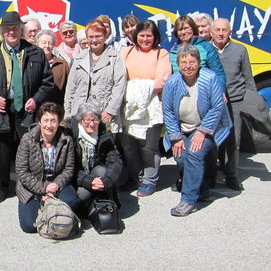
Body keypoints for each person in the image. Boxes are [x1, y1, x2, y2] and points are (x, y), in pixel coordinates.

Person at [0, 11, 54, 204]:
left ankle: (33, 186)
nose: (11, 32)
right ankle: (0, 188)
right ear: (2, 31)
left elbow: (47, 82)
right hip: (1, 108)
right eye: (7, 29)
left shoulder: (35, 52)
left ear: (21, 30)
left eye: (15, 29)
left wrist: (36, 100)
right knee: (1, 150)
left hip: (27, 107)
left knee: (30, 149)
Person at [162, 44, 232, 216]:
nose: (188, 66)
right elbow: (168, 111)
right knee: (180, 157)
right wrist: (176, 137)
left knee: (194, 154)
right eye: (184, 62)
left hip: (207, 127)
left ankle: (188, 200)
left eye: (192, 62)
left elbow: (217, 107)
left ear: (199, 63)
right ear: (178, 63)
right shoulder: (171, 82)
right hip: (181, 128)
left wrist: (202, 132)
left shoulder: (210, 78)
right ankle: (203, 189)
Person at [121, 20, 172, 195]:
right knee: (128, 146)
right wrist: (134, 91)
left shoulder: (161, 54)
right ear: (136, 36)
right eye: (142, 35)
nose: (145, 39)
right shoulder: (126, 52)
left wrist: (135, 87)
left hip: (151, 108)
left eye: (149, 35)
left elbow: (162, 81)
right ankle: (137, 177)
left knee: (148, 146)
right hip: (128, 108)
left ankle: (150, 180)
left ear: (155, 37)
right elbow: (119, 78)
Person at [211, 18, 263, 190]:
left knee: (234, 140)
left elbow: (248, 78)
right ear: (211, 32)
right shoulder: (205, 50)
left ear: (230, 32)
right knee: (211, 140)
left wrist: (253, 104)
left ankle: (231, 175)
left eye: (224, 30)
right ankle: (210, 174)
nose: (220, 33)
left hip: (235, 101)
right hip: (212, 103)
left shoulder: (240, 49)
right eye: (217, 30)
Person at [15, 102, 79, 233]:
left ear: (59, 122)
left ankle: (50, 206)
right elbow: (22, 171)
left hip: (57, 184)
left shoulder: (66, 140)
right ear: (39, 122)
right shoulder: (27, 139)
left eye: (53, 121)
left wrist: (53, 189)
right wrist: (44, 189)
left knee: (72, 202)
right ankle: (43, 205)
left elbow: (68, 169)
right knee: (29, 226)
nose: (49, 125)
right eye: (45, 120)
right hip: (32, 186)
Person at [64, 19, 127, 134]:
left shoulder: (114, 58)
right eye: (90, 36)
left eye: (98, 36)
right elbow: (71, 88)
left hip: (104, 116)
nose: (94, 40)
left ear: (105, 36)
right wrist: (68, 113)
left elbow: (119, 86)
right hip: (79, 115)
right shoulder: (79, 59)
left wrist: (110, 111)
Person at [71, 103, 123, 213]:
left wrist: (106, 180)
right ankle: (84, 212)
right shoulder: (71, 135)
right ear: (80, 121)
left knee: (103, 171)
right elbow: (70, 168)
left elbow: (115, 161)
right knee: (83, 195)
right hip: (78, 177)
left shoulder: (104, 134)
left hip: (96, 174)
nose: (92, 124)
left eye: (95, 120)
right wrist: (89, 181)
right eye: (88, 120)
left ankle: (101, 203)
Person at [36, 29, 69, 105]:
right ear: (37, 44)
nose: (47, 46)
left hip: (56, 107)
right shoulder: (31, 63)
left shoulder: (62, 64)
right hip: (36, 107)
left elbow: (68, 89)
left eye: (50, 43)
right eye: (44, 43)